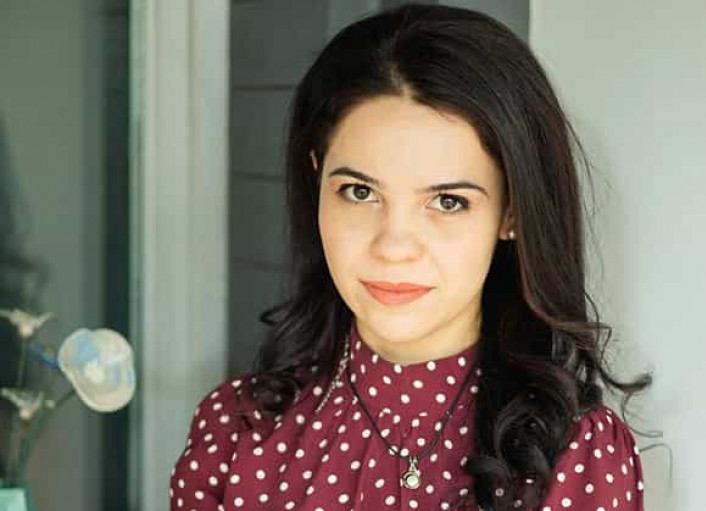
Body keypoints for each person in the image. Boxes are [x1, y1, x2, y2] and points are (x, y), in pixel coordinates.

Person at [169, 3, 652, 510]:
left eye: (448, 202)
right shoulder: (234, 432)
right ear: (317, 181)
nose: (394, 248)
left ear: (512, 211)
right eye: (359, 192)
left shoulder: (578, 455)